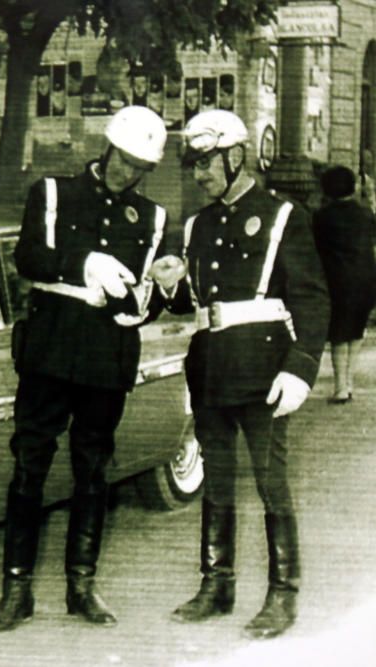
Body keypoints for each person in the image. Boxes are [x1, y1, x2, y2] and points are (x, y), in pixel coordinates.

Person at [0, 106, 173, 632]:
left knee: (93, 473)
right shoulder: (52, 192)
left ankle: (81, 588)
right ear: (107, 146)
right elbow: (28, 259)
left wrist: (155, 292)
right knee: (29, 468)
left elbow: (141, 300)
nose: (129, 173)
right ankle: (16, 589)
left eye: (141, 166)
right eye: (125, 160)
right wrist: (82, 263)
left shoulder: (153, 218)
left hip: (106, 357)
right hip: (49, 351)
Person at [163, 110, 328, 640]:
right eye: (193, 166)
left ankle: (283, 593)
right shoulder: (197, 224)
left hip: (263, 367)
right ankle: (218, 584)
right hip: (211, 366)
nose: (199, 175)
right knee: (217, 475)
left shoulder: (282, 215)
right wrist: (171, 285)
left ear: (236, 157)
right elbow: (197, 301)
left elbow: (311, 296)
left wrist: (301, 367)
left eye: (206, 163)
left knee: (270, 480)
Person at [312, 165, 376, 403]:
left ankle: (340, 387)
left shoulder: (321, 216)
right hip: (367, 281)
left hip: (337, 282)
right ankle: (348, 382)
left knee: (339, 333)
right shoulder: (365, 214)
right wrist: (370, 195)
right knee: (357, 330)